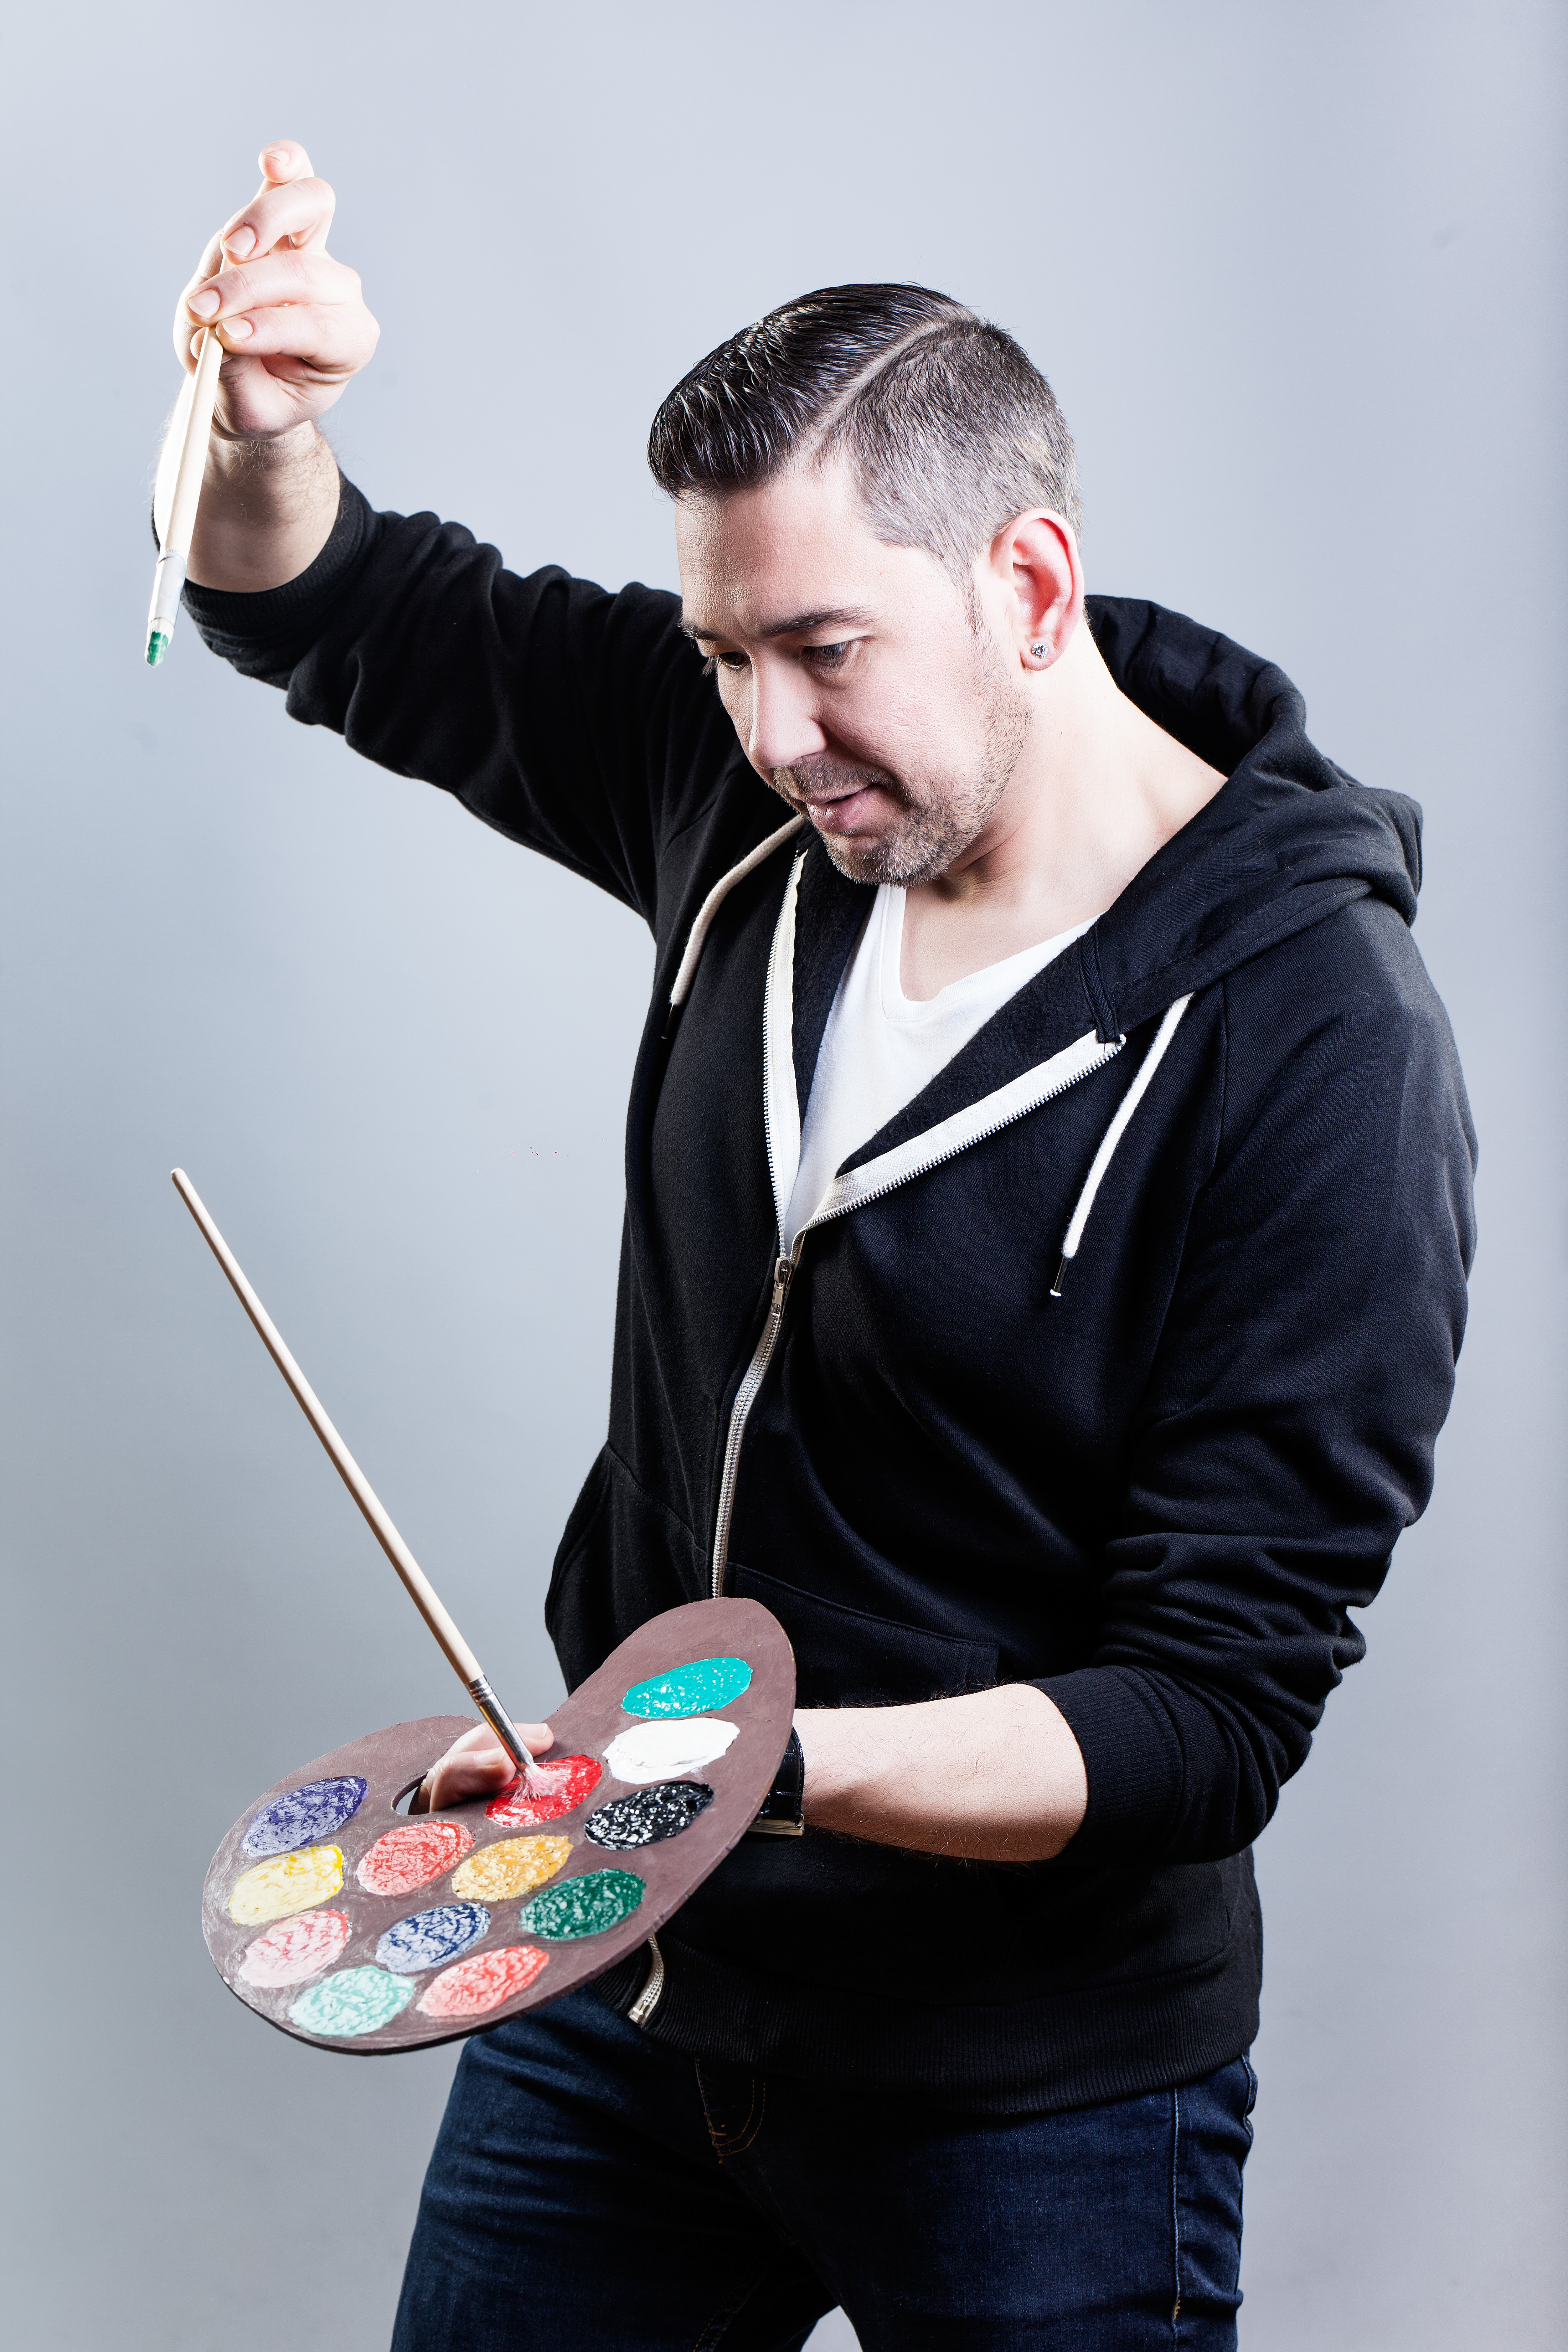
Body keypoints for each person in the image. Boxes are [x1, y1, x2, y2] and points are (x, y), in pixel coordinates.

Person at [168, 141, 1476, 2352]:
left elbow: (1207, 1717)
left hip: (1031, 2100)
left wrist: (731, 1774)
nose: (772, 732)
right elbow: (331, 605)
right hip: (622, 1994)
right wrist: (260, 431)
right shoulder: (750, 804)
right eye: (722, 654)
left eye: (825, 651)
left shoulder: (1317, 1042)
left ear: (1030, 582)